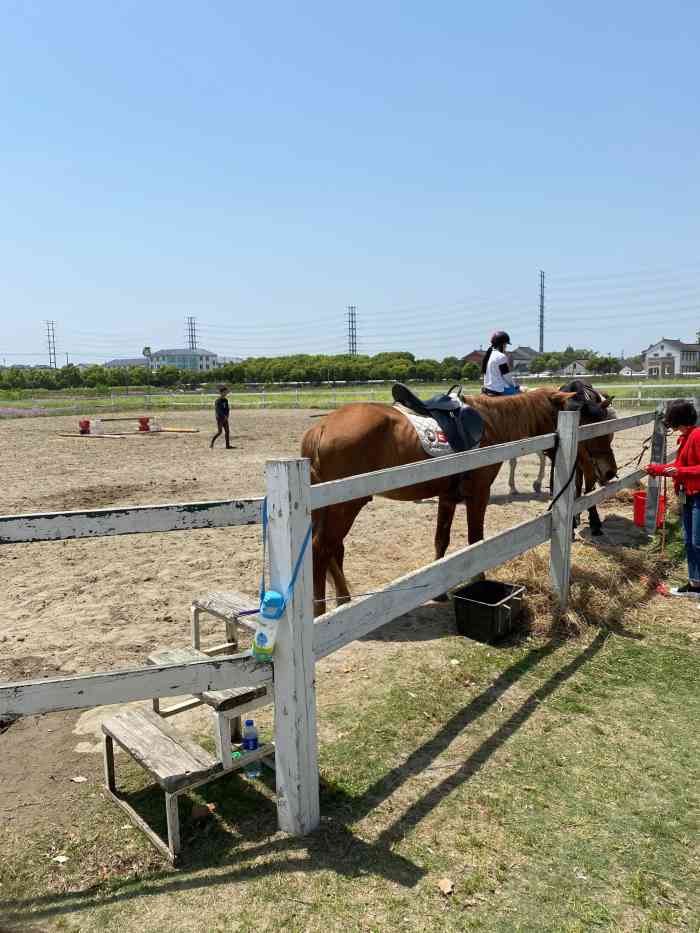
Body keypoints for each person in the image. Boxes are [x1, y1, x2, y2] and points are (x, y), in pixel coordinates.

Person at [647, 398, 700, 596]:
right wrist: (658, 470)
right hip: (688, 494)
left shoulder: (697, 436)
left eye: (673, 421)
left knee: (697, 541)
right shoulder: (686, 437)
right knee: (689, 540)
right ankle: (695, 585)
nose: (673, 427)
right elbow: (678, 465)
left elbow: (687, 469)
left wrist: (679, 473)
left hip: (698, 495)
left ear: (679, 420)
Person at [481, 331, 520, 396]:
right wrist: (515, 386)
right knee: (522, 395)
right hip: (499, 390)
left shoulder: (488, 355)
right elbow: (507, 376)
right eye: (506, 345)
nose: (506, 347)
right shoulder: (501, 356)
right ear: (502, 344)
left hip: (487, 388)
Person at [210, 385, 233, 449]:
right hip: (220, 418)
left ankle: (227, 445)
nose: (226, 393)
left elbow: (227, 408)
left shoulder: (225, 400)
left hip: (225, 417)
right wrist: (224, 416)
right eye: (225, 392)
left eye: (226, 392)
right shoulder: (218, 401)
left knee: (227, 431)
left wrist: (227, 415)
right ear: (221, 392)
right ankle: (212, 443)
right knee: (219, 432)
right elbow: (218, 410)